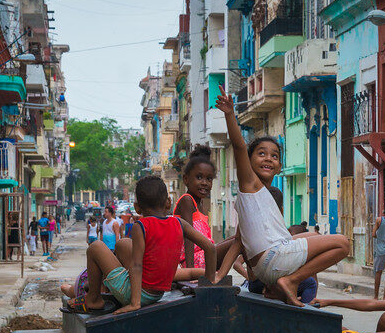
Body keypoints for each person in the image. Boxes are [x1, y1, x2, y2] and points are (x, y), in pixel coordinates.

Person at [214, 91, 349, 305]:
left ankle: (280, 286)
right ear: (247, 162)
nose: (268, 158)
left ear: (279, 168)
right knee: (342, 243)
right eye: (261, 153)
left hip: (267, 266)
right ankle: (292, 281)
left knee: (309, 236)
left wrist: (220, 274)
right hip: (274, 258)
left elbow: (239, 241)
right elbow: (239, 146)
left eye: (274, 156)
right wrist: (230, 115)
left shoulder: (262, 198)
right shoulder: (250, 184)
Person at [62, 175, 216, 313]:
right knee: (122, 244)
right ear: (168, 203)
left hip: (137, 295)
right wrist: (210, 279)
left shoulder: (140, 226)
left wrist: (134, 303)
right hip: (157, 293)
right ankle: (106, 289)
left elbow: (137, 265)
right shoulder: (179, 223)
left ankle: (94, 299)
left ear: (137, 207)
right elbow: (210, 247)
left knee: (95, 247)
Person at [173, 145, 216, 282]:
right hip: (194, 262)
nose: (204, 183)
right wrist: (189, 272)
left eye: (209, 179)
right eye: (199, 177)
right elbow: (188, 238)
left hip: (205, 256)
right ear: (186, 179)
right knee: (236, 242)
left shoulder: (200, 204)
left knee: (237, 240)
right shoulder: (187, 200)